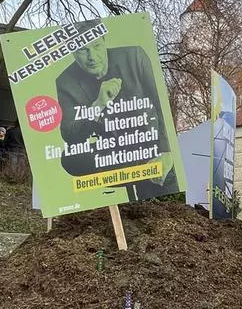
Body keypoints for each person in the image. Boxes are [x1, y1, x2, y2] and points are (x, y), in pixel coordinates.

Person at [54, 22, 177, 199]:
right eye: (83, 50)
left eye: (96, 46)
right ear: (72, 52)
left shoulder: (134, 56)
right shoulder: (65, 81)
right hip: (112, 151)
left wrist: (166, 151)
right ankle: (138, 174)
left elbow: (161, 104)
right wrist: (98, 104)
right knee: (70, 158)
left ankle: (147, 176)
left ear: (104, 41)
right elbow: (68, 134)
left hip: (147, 142)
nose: (92, 57)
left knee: (164, 186)